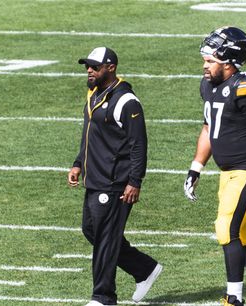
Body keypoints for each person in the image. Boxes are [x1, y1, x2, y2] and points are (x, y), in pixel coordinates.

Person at [183, 27, 246, 306]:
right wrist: (196, 168)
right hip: (227, 172)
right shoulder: (208, 85)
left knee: (227, 230)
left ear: (228, 61)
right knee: (245, 234)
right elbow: (208, 128)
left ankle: (233, 297)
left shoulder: (245, 85)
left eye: (210, 60)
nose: (204, 65)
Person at [68, 47, 162, 306]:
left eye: (94, 66)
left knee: (106, 239)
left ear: (110, 68)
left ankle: (103, 297)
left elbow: (138, 144)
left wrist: (134, 181)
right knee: (91, 230)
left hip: (114, 183)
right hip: (94, 178)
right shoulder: (94, 94)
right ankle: (143, 268)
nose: (89, 70)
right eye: (87, 66)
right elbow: (90, 134)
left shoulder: (126, 101)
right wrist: (78, 163)